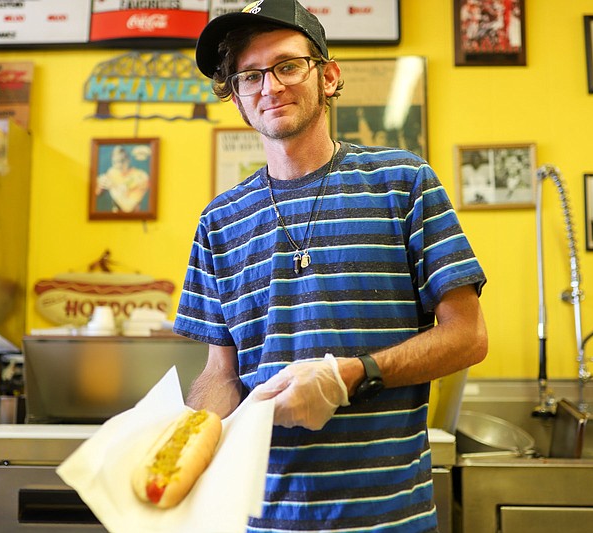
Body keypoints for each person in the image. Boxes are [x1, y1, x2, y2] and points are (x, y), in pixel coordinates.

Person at [173, 1, 488, 531]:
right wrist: (185, 438)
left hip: (388, 517)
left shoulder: (402, 182)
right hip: (263, 519)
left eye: (287, 66)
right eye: (249, 76)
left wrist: (354, 374)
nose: (269, 87)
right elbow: (218, 373)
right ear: (238, 100)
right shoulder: (219, 220)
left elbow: (468, 337)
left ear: (329, 75)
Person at [95, 145, 150, 213]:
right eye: (115, 162)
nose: (118, 165)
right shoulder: (112, 172)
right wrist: (99, 184)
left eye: (122, 161)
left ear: (129, 159)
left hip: (134, 219)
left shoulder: (141, 176)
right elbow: (97, 193)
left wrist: (112, 187)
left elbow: (128, 208)